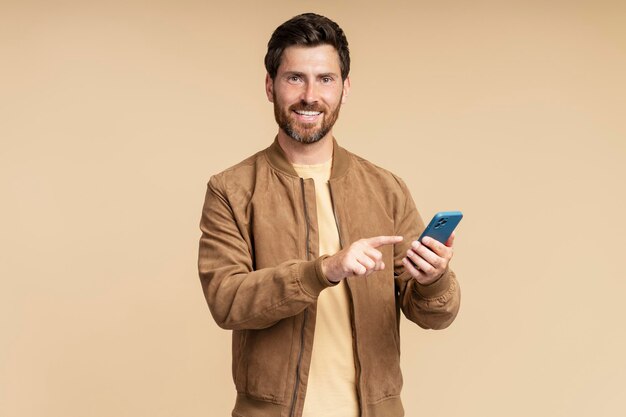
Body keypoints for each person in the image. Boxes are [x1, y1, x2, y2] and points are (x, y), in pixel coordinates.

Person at [198, 13, 460, 417]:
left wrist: (433, 279)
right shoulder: (231, 189)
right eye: (294, 78)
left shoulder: (385, 188)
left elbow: (434, 314)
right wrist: (325, 269)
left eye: (325, 79)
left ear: (345, 87)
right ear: (270, 86)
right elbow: (227, 301)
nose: (310, 95)